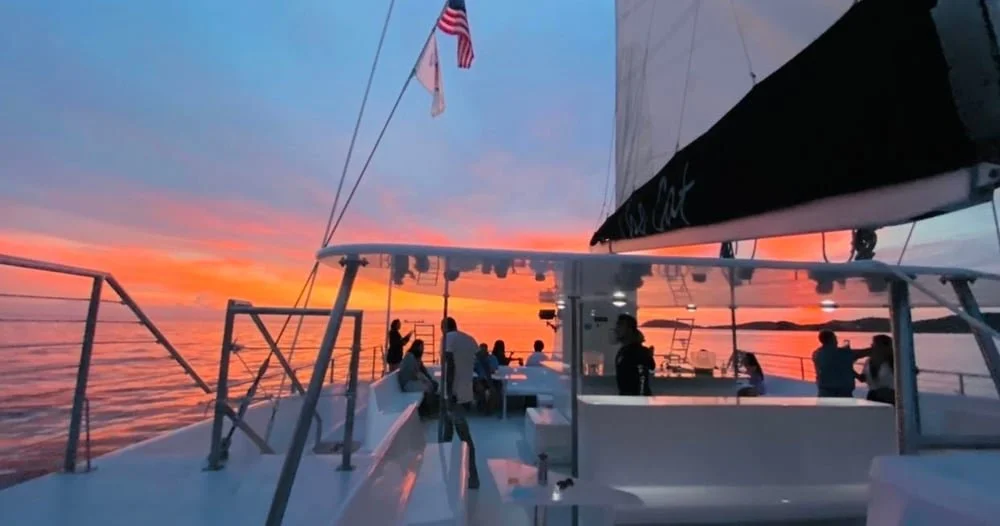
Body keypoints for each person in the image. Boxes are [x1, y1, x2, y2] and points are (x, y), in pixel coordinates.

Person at [440, 316, 480, 489]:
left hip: (452, 394)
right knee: (449, 433)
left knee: (462, 435)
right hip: (465, 393)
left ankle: (472, 477)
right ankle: (451, 470)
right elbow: (474, 362)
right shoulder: (470, 340)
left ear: (444, 328)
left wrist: (449, 393)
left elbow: (450, 366)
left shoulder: (447, 339)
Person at [812, 330, 868, 397]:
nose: (837, 340)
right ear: (831, 339)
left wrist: (857, 376)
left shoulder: (816, 353)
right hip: (842, 395)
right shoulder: (842, 353)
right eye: (835, 338)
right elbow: (861, 353)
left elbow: (840, 367)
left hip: (823, 394)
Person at [614, 314, 655, 396]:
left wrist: (639, 401)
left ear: (630, 330)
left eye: (620, 325)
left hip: (636, 401)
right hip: (627, 400)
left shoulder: (639, 352)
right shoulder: (623, 351)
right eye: (617, 325)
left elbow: (642, 379)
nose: (616, 329)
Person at [397, 340, 438, 417]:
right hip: (407, 383)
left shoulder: (417, 357)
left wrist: (430, 379)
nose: (423, 349)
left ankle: (428, 408)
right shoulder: (410, 356)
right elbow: (413, 373)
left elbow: (423, 369)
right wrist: (425, 380)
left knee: (433, 385)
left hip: (413, 381)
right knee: (428, 387)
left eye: (423, 347)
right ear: (416, 347)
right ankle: (429, 411)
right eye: (421, 347)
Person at [857, 334, 895, 405]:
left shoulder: (895, 362)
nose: (871, 346)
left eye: (874, 344)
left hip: (890, 398)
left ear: (884, 346)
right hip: (873, 398)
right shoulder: (868, 361)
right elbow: (862, 378)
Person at [474, 343, 499, 413]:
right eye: (480, 350)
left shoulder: (492, 358)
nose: (482, 352)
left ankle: (489, 409)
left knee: (493, 391)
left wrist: (485, 361)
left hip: (492, 380)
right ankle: (481, 407)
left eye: (483, 350)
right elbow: (471, 368)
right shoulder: (476, 359)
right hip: (480, 380)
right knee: (480, 389)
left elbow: (494, 369)